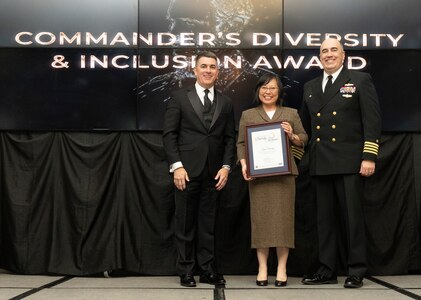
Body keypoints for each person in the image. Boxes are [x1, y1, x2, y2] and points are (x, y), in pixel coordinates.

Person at [299, 38, 382, 288]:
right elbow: (304, 127)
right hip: (320, 162)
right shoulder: (310, 86)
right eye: (324, 51)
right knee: (324, 220)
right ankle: (327, 269)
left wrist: (369, 156)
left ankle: (356, 269)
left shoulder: (360, 80)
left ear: (343, 55)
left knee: (352, 218)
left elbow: (372, 121)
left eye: (333, 50)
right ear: (319, 57)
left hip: (349, 161)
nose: (329, 54)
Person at [163, 51, 236, 287]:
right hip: (186, 172)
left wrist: (226, 167)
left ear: (217, 71)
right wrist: (177, 167)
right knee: (184, 223)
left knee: (209, 224)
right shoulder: (179, 98)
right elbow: (169, 135)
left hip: (214, 174)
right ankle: (186, 270)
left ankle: (207, 270)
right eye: (203, 66)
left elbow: (229, 139)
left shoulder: (226, 102)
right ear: (194, 70)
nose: (208, 70)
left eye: (212, 67)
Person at [237, 73, 308, 287]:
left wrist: (292, 136)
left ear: (279, 92)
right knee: (261, 222)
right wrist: (243, 164)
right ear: (258, 91)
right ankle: (262, 268)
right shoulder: (247, 115)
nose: (268, 92)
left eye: (273, 88)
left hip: (284, 176)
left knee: (283, 222)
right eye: (264, 88)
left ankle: (282, 268)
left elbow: (304, 138)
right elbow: (241, 143)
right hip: (258, 177)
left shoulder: (291, 113)